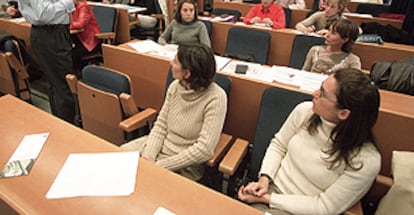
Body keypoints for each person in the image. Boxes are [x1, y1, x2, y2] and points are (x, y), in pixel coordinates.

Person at [238, 68, 381, 215]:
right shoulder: (305, 111)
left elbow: (324, 207)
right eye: (320, 88)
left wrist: (268, 199)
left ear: (343, 113)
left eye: (323, 94)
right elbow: (279, 145)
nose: (314, 94)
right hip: (270, 191)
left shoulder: (366, 159)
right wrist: (264, 180)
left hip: (302, 210)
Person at [14, 0, 101, 123]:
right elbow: (44, 13)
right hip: (50, 33)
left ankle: (61, 123)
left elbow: (50, 4)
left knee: (57, 83)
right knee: (63, 85)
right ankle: (67, 127)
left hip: (49, 33)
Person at [121, 42, 227, 181]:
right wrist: (148, 156)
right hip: (157, 149)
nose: (171, 62)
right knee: (115, 160)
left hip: (183, 164)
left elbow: (204, 150)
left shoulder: (216, 97)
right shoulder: (175, 87)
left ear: (187, 73)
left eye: (175, 61)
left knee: (142, 185)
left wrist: (159, 166)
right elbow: (161, 125)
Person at [69, 1, 101, 70]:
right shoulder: (70, 6)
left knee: (70, 54)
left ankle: (77, 75)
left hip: (89, 41)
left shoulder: (83, 6)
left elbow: (80, 24)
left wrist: (66, 25)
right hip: (78, 37)